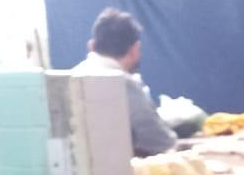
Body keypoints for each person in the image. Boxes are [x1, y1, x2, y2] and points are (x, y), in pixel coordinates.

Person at [71, 9, 177, 157]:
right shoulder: (123, 84)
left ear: (92, 46)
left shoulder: (70, 78)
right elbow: (161, 142)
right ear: (135, 49)